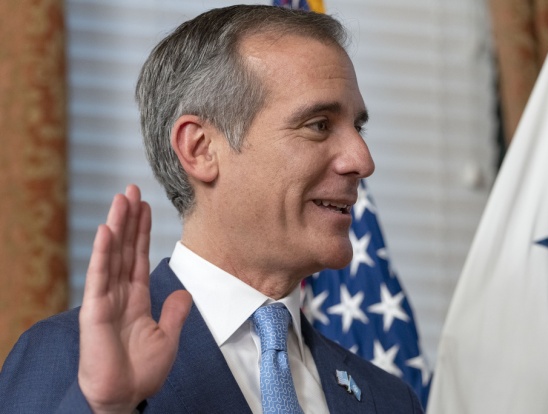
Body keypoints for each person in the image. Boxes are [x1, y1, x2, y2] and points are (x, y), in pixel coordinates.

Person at [0, 5, 424, 413]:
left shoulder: (389, 399)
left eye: (358, 126)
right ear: (200, 149)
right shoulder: (70, 357)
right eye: (319, 125)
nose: (362, 160)